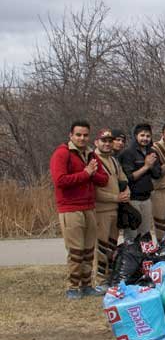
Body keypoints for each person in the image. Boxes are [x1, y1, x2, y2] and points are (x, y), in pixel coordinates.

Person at [50, 120, 109, 299]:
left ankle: (86, 285)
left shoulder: (91, 154)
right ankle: (72, 287)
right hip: (70, 208)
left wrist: (90, 174)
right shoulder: (62, 154)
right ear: (71, 135)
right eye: (78, 135)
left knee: (89, 249)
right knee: (76, 250)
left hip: (89, 207)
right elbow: (60, 181)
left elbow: (104, 178)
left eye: (85, 135)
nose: (82, 138)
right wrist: (86, 174)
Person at [93, 129, 129, 287]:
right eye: (103, 141)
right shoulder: (93, 160)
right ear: (96, 142)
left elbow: (123, 179)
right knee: (101, 246)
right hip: (101, 210)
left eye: (109, 141)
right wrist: (116, 197)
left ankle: (109, 276)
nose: (107, 144)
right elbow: (94, 190)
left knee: (112, 245)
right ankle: (100, 280)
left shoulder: (113, 160)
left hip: (115, 209)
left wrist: (127, 192)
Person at [120, 123, 162, 240]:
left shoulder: (152, 152)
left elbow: (157, 175)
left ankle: (144, 257)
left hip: (147, 198)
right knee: (132, 234)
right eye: (142, 135)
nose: (145, 139)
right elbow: (129, 178)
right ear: (135, 136)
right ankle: (130, 256)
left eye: (148, 136)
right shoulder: (128, 153)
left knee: (145, 233)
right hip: (132, 199)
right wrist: (146, 166)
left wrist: (152, 165)